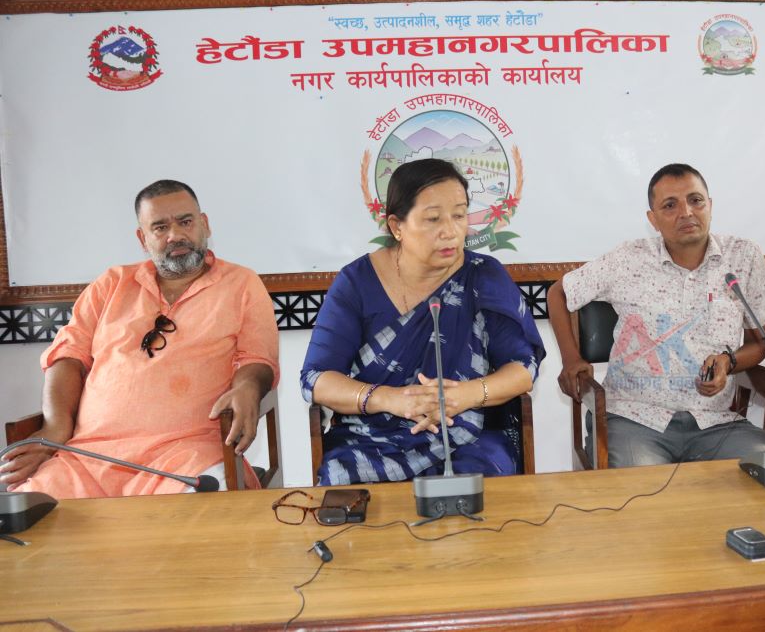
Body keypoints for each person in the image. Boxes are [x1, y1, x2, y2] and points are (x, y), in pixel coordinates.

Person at [0, 180, 279, 497]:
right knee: (32, 510)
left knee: (201, 514)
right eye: (160, 227)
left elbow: (258, 359)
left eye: (185, 222)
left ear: (204, 224)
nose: (175, 235)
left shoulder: (241, 284)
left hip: (187, 455)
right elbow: (67, 357)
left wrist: (246, 387)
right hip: (87, 457)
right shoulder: (111, 284)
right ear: (142, 239)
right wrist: (55, 428)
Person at [301, 158, 544, 485]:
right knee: (346, 484)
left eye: (459, 215)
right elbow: (317, 379)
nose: (450, 231)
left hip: (467, 434)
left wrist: (467, 394)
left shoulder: (482, 277)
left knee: (484, 486)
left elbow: (523, 368)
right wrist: (390, 399)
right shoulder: (356, 283)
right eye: (433, 219)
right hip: (371, 438)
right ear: (396, 226)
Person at [548, 163, 765, 467]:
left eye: (695, 200)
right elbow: (558, 292)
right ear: (653, 219)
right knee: (642, 487)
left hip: (715, 422)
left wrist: (728, 361)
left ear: (710, 206)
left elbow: (759, 344)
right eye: (670, 205)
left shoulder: (742, 256)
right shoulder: (629, 258)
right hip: (633, 420)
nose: (686, 212)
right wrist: (571, 360)